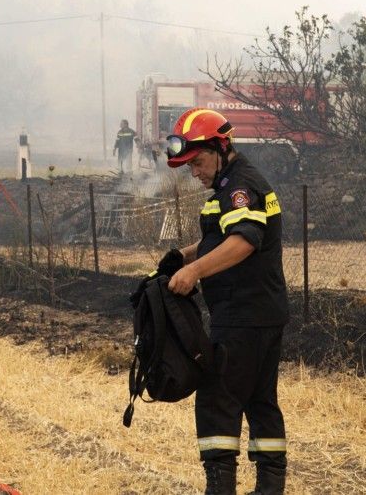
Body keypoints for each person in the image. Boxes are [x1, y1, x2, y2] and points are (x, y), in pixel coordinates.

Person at [137, 108, 288, 495]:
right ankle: (269, 489)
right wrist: (185, 256)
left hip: (242, 317)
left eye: (198, 161)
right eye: (188, 166)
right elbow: (222, 237)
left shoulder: (241, 187)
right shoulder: (230, 186)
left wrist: (194, 273)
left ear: (221, 147)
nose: (194, 172)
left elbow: (244, 240)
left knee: (217, 400)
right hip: (260, 316)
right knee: (260, 403)